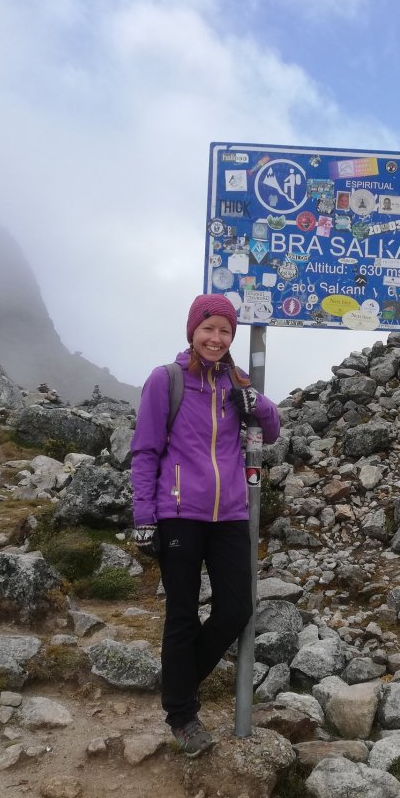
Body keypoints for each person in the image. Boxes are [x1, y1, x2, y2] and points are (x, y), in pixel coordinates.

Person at [130, 294, 281, 757]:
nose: (216, 339)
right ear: (192, 330)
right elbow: (145, 450)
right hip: (179, 513)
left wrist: (256, 402)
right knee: (182, 615)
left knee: (236, 609)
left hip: (230, 514)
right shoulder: (167, 379)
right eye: (208, 329)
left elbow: (272, 430)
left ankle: (176, 685)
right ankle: (182, 715)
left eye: (225, 331)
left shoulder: (237, 381)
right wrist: (143, 516)